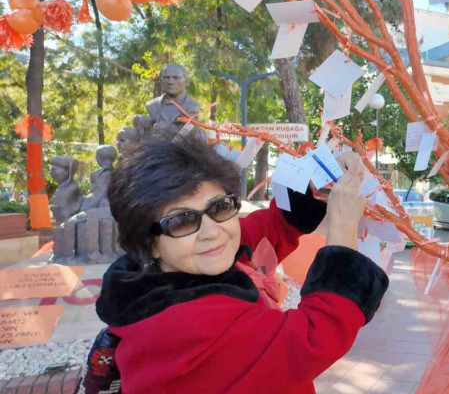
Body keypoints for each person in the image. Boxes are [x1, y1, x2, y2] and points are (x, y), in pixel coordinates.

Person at [92, 133, 388, 394]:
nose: (212, 232)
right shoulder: (183, 329)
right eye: (181, 220)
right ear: (147, 243)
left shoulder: (167, 272)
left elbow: (264, 231)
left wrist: (326, 173)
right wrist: (344, 225)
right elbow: (316, 336)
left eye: (219, 206)